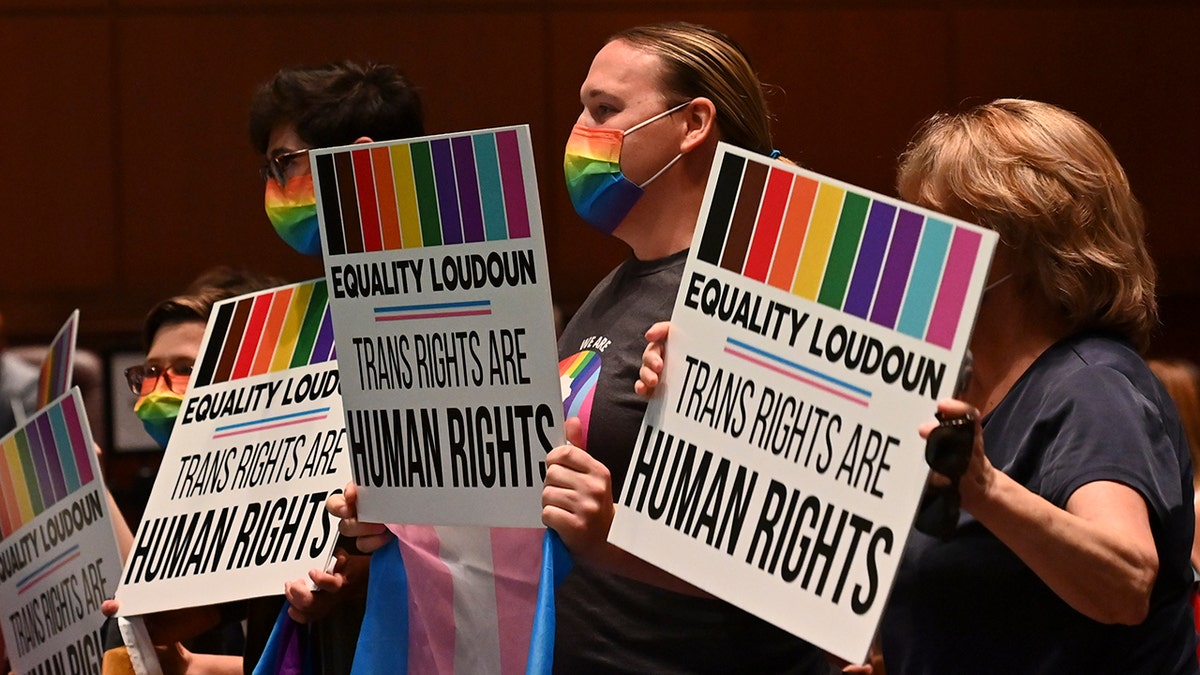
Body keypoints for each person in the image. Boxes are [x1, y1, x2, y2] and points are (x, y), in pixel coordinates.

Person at [542, 22, 830, 672]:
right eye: (582, 107)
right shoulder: (613, 289)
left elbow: (790, 557)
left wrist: (611, 530)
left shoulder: (763, 289)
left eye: (605, 109)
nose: (578, 133)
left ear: (693, 122)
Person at [873, 100, 1197, 673]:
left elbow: (1125, 580)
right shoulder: (959, 387)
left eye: (934, 224)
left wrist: (986, 490)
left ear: (1022, 243)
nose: (912, 247)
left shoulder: (1092, 385)